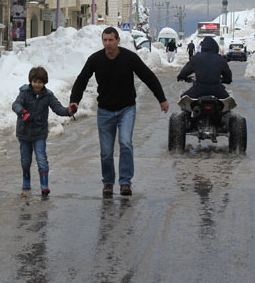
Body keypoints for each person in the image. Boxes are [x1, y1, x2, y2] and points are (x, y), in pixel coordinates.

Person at [69, 27, 168, 198]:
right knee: (106, 151)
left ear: (118, 41)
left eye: (111, 40)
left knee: (125, 143)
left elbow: (148, 76)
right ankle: (108, 182)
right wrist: (74, 100)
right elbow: (82, 79)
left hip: (126, 109)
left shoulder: (129, 58)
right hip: (105, 111)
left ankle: (125, 182)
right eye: (105, 40)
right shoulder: (96, 59)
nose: (107, 44)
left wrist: (162, 99)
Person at [12, 66, 77, 197]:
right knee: (25, 160)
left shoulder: (48, 95)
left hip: (39, 133)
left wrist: (68, 111)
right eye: (35, 81)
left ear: (44, 83)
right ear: (31, 81)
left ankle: (44, 185)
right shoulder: (24, 93)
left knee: (41, 158)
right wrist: (23, 113)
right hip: (24, 133)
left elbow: (57, 108)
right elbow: (16, 104)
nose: (37, 84)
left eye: (40, 82)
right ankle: (26, 180)